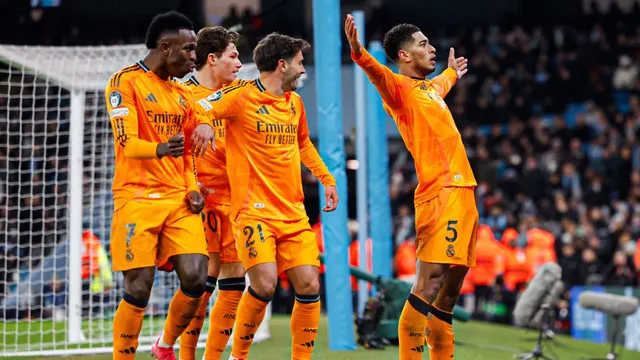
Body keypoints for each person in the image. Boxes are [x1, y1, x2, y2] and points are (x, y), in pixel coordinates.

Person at [198, 32, 339, 360]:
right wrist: (205, 123)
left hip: (292, 213)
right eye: (300, 63)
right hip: (253, 211)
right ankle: (238, 357)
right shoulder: (241, 96)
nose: (303, 70)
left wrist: (326, 178)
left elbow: (303, 143)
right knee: (264, 284)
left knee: (309, 285)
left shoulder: (295, 104)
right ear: (282, 65)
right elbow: (200, 105)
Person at [345, 15, 477, 359]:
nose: (431, 48)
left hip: (464, 194)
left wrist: (452, 73)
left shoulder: (430, 89)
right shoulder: (399, 90)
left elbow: (442, 84)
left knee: (448, 295)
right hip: (440, 194)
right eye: (423, 44)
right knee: (428, 284)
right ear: (404, 56)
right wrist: (359, 52)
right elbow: (377, 73)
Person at [104, 11, 215, 360]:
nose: (194, 57)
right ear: (166, 48)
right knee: (138, 288)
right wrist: (160, 149)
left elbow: (188, 152)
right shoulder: (124, 82)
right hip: (136, 199)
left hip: (178, 199)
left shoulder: (183, 95)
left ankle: (164, 346)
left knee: (197, 279)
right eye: (189, 49)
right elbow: (127, 143)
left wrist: (193, 186)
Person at [177, 26, 245, 360]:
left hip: (234, 198)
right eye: (233, 56)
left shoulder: (239, 92)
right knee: (199, 285)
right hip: (196, 198)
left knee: (235, 282)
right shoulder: (180, 92)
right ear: (212, 59)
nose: (239, 63)